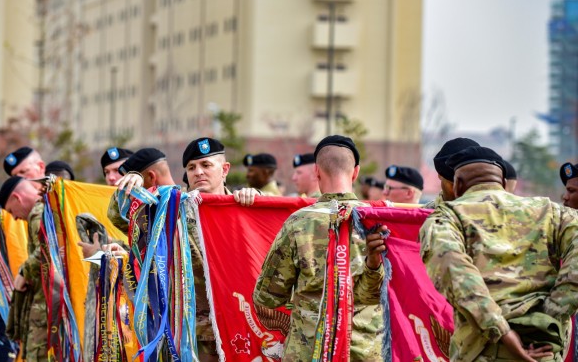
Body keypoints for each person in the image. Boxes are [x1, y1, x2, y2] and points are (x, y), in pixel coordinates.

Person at [420, 146, 578, 361]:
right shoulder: (550, 212)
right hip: (543, 348)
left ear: (458, 185)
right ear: (503, 183)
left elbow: (454, 273)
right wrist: (550, 316)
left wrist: (501, 331)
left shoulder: (448, 217)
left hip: (483, 349)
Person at [117, 137, 258, 360]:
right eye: (192, 167)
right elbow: (122, 218)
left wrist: (256, 200)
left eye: (206, 165)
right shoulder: (172, 208)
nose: (198, 172)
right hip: (193, 335)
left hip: (239, 327)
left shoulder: (243, 205)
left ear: (225, 169)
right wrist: (132, 184)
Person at [254, 135, 387, 361]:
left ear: (316, 172)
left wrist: (308, 298)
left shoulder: (298, 223)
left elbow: (267, 297)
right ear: (355, 172)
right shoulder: (378, 223)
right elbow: (380, 294)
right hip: (364, 352)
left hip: (308, 351)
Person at [0, 176, 48, 361]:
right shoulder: (47, 208)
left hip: (46, 307)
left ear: (17, 198)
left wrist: (23, 273)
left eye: (11, 211)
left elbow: (46, 249)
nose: (15, 217)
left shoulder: (37, 213)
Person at [426, 137, 480, 208]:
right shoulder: (424, 214)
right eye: (453, 185)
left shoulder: (494, 211)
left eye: (469, 186)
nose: (460, 192)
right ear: (439, 175)